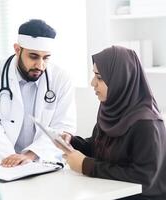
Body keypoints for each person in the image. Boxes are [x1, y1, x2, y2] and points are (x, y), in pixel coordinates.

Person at [56, 46, 166, 199]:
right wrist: (71, 142)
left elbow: (143, 178)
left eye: (99, 77)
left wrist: (86, 165)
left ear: (121, 79)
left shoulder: (147, 124)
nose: (92, 82)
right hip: (109, 193)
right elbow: (98, 148)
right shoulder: (109, 111)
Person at [0, 19, 76, 167]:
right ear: (17, 49)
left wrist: (30, 155)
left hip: (43, 162)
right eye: (33, 56)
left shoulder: (61, 78)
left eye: (46, 58)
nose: (40, 65)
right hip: (1, 162)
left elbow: (63, 127)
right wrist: (12, 159)